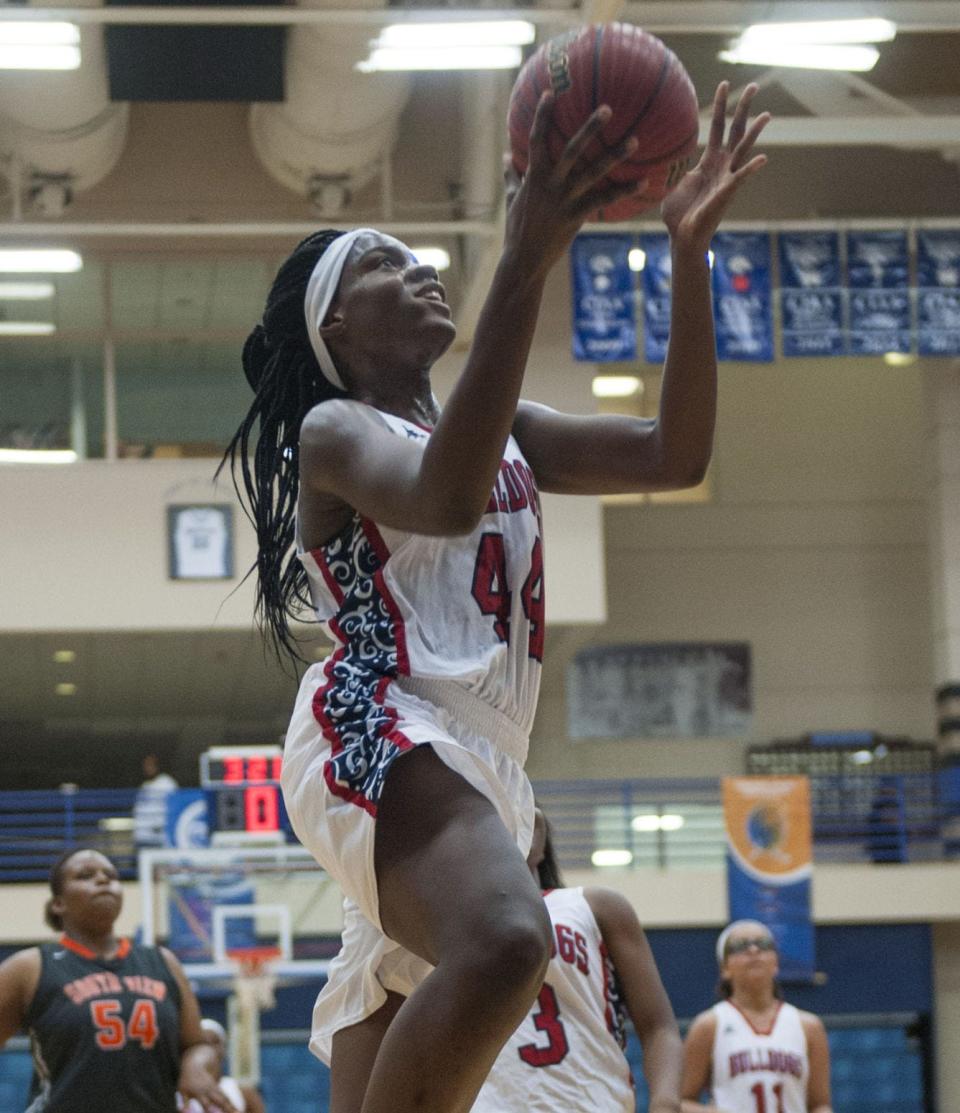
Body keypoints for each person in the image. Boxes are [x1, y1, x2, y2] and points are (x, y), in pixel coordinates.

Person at [223, 81, 769, 1113]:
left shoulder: (503, 423)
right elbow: (444, 495)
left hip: (484, 769)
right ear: (336, 320)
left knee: (387, 1058)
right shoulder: (335, 432)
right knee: (511, 937)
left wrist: (689, 256)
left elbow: (675, 451)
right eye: (386, 263)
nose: (420, 266)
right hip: (380, 726)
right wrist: (524, 255)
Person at [471, 806, 682, 1112]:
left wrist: (666, 1102)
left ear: (540, 836)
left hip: (591, 1101)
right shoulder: (454, 926)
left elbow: (658, 1026)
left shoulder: (593, 906)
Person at [0, 847, 235, 1113]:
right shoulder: (30, 967)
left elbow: (197, 1045)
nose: (103, 880)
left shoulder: (162, 962)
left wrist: (195, 1065)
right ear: (58, 903)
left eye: (110, 875)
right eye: (85, 875)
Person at [680, 920, 833, 1113]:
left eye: (763, 944)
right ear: (724, 968)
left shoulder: (809, 1026)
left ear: (776, 963)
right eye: (740, 946)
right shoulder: (709, 1025)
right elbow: (680, 1103)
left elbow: (820, 1105)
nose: (753, 950)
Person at [180, 1019, 266, 1113]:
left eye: (215, 1042)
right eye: (204, 1043)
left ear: (224, 1048)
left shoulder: (245, 1093)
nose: (209, 1048)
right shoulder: (179, 1093)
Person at [134, 753, 180, 848]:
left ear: (158, 766)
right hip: (141, 834)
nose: (147, 768)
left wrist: (160, 826)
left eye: (151, 765)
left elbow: (174, 806)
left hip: (157, 835)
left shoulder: (167, 782)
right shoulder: (145, 785)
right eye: (146, 765)